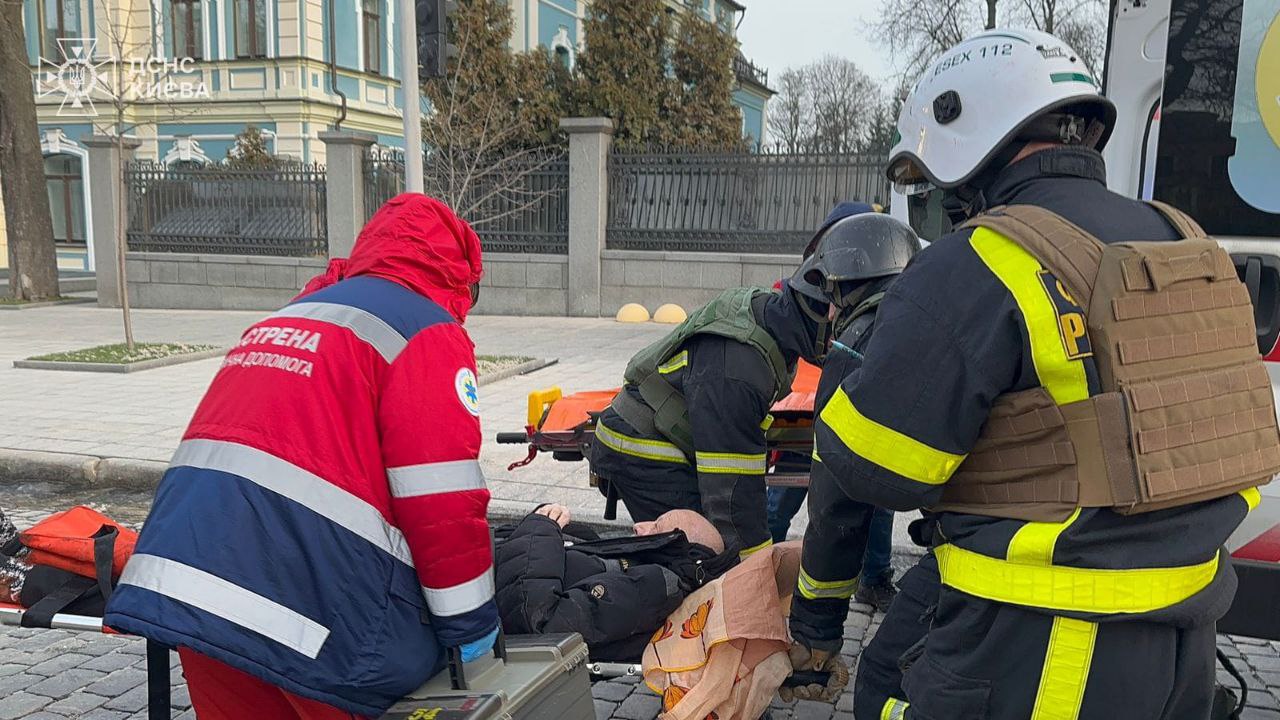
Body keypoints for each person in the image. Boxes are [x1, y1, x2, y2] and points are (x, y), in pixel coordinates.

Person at [794, 28, 1280, 720]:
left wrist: (856, 368)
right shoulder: (1183, 237)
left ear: (968, 137)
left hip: (1043, 645)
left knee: (883, 694)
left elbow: (877, 468)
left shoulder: (979, 261)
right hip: (1185, 642)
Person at [104, 194, 499, 720]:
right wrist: (471, 627)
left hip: (191, 586)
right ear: (459, 274)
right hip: (305, 613)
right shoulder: (427, 330)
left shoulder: (295, 314)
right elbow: (441, 501)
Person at [587, 224, 880, 559]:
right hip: (644, 449)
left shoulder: (770, 317)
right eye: (846, 328)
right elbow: (731, 500)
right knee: (696, 555)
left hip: (664, 436)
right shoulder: (739, 370)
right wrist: (756, 577)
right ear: (820, 313)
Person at [764, 202, 907, 613]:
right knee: (783, 503)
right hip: (800, 419)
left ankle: (874, 578)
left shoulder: (880, 308)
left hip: (845, 416)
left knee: (872, 502)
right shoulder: (796, 292)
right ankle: (757, 575)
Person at [494, 503, 730, 662]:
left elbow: (537, 619)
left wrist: (539, 528)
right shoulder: (638, 570)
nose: (639, 526)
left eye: (656, 527)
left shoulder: (649, 587)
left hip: (478, 605)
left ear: (675, 547)